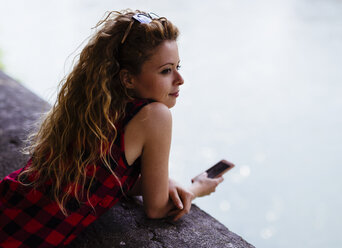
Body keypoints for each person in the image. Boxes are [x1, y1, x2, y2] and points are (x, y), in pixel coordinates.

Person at [0, 9, 224, 247]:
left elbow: (101, 178)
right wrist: (197, 187)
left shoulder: (96, 107)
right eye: (166, 70)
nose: (180, 79)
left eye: (178, 66)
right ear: (127, 78)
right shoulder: (155, 115)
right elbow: (157, 209)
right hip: (22, 236)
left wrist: (162, 180)